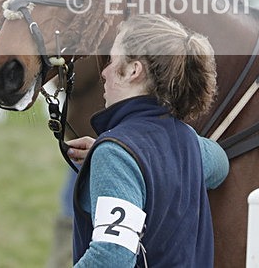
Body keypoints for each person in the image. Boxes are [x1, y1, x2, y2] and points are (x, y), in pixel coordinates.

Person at [64, 14, 229, 267]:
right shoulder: (188, 142)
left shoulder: (115, 155)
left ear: (133, 70)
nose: (104, 72)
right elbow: (219, 163)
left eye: (112, 60)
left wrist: (113, 153)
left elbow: (113, 256)